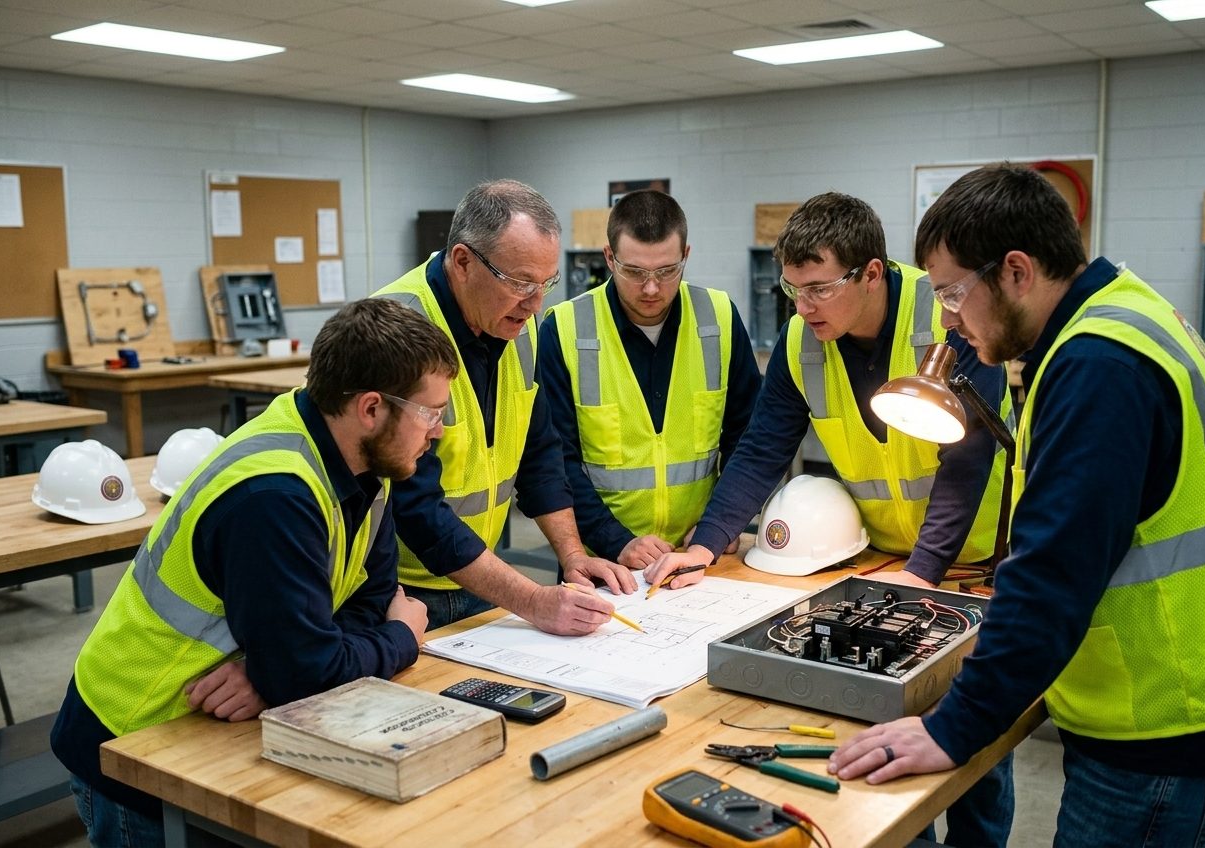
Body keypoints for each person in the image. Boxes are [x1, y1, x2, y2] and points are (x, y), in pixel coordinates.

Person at [829, 163, 1205, 847]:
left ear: (1017, 271)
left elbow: (1052, 574)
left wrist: (951, 727)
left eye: (955, 292)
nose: (948, 320)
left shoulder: (1098, 366)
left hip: (1169, 730)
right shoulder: (1121, 313)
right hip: (1167, 708)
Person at [644, 191, 1016, 847]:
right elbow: (763, 448)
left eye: (818, 289)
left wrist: (925, 572)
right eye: (793, 290)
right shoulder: (801, 342)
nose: (803, 307)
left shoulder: (950, 316)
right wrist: (706, 544)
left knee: (976, 754)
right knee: (894, 748)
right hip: (889, 567)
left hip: (975, 570)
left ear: (871, 272)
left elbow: (969, 456)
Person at [51, 297, 458, 847]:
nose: (438, 431)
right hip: (139, 737)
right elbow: (325, 662)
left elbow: (369, 597)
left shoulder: (368, 463)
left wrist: (277, 674)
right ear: (370, 408)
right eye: (431, 413)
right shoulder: (275, 496)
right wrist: (400, 637)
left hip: (215, 728)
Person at [372, 179, 633, 635]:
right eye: (519, 283)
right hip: (396, 596)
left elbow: (540, 456)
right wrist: (530, 598)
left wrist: (572, 557)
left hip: (478, 579)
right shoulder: (398, 331)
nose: (534, 305)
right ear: (462, 262)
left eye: (545, 284)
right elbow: (414, 507)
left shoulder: (517, 325)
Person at [537, 189, 762, 568]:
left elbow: (747, 438)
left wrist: (719, 524)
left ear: (686, 256)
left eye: (667, 270)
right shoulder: (565, 329)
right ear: (609, 258)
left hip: (700, 554)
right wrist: (616, 541)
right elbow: (556, 462)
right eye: (635, 271)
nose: (652, 287)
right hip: (603, 564)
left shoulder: (719, 318)